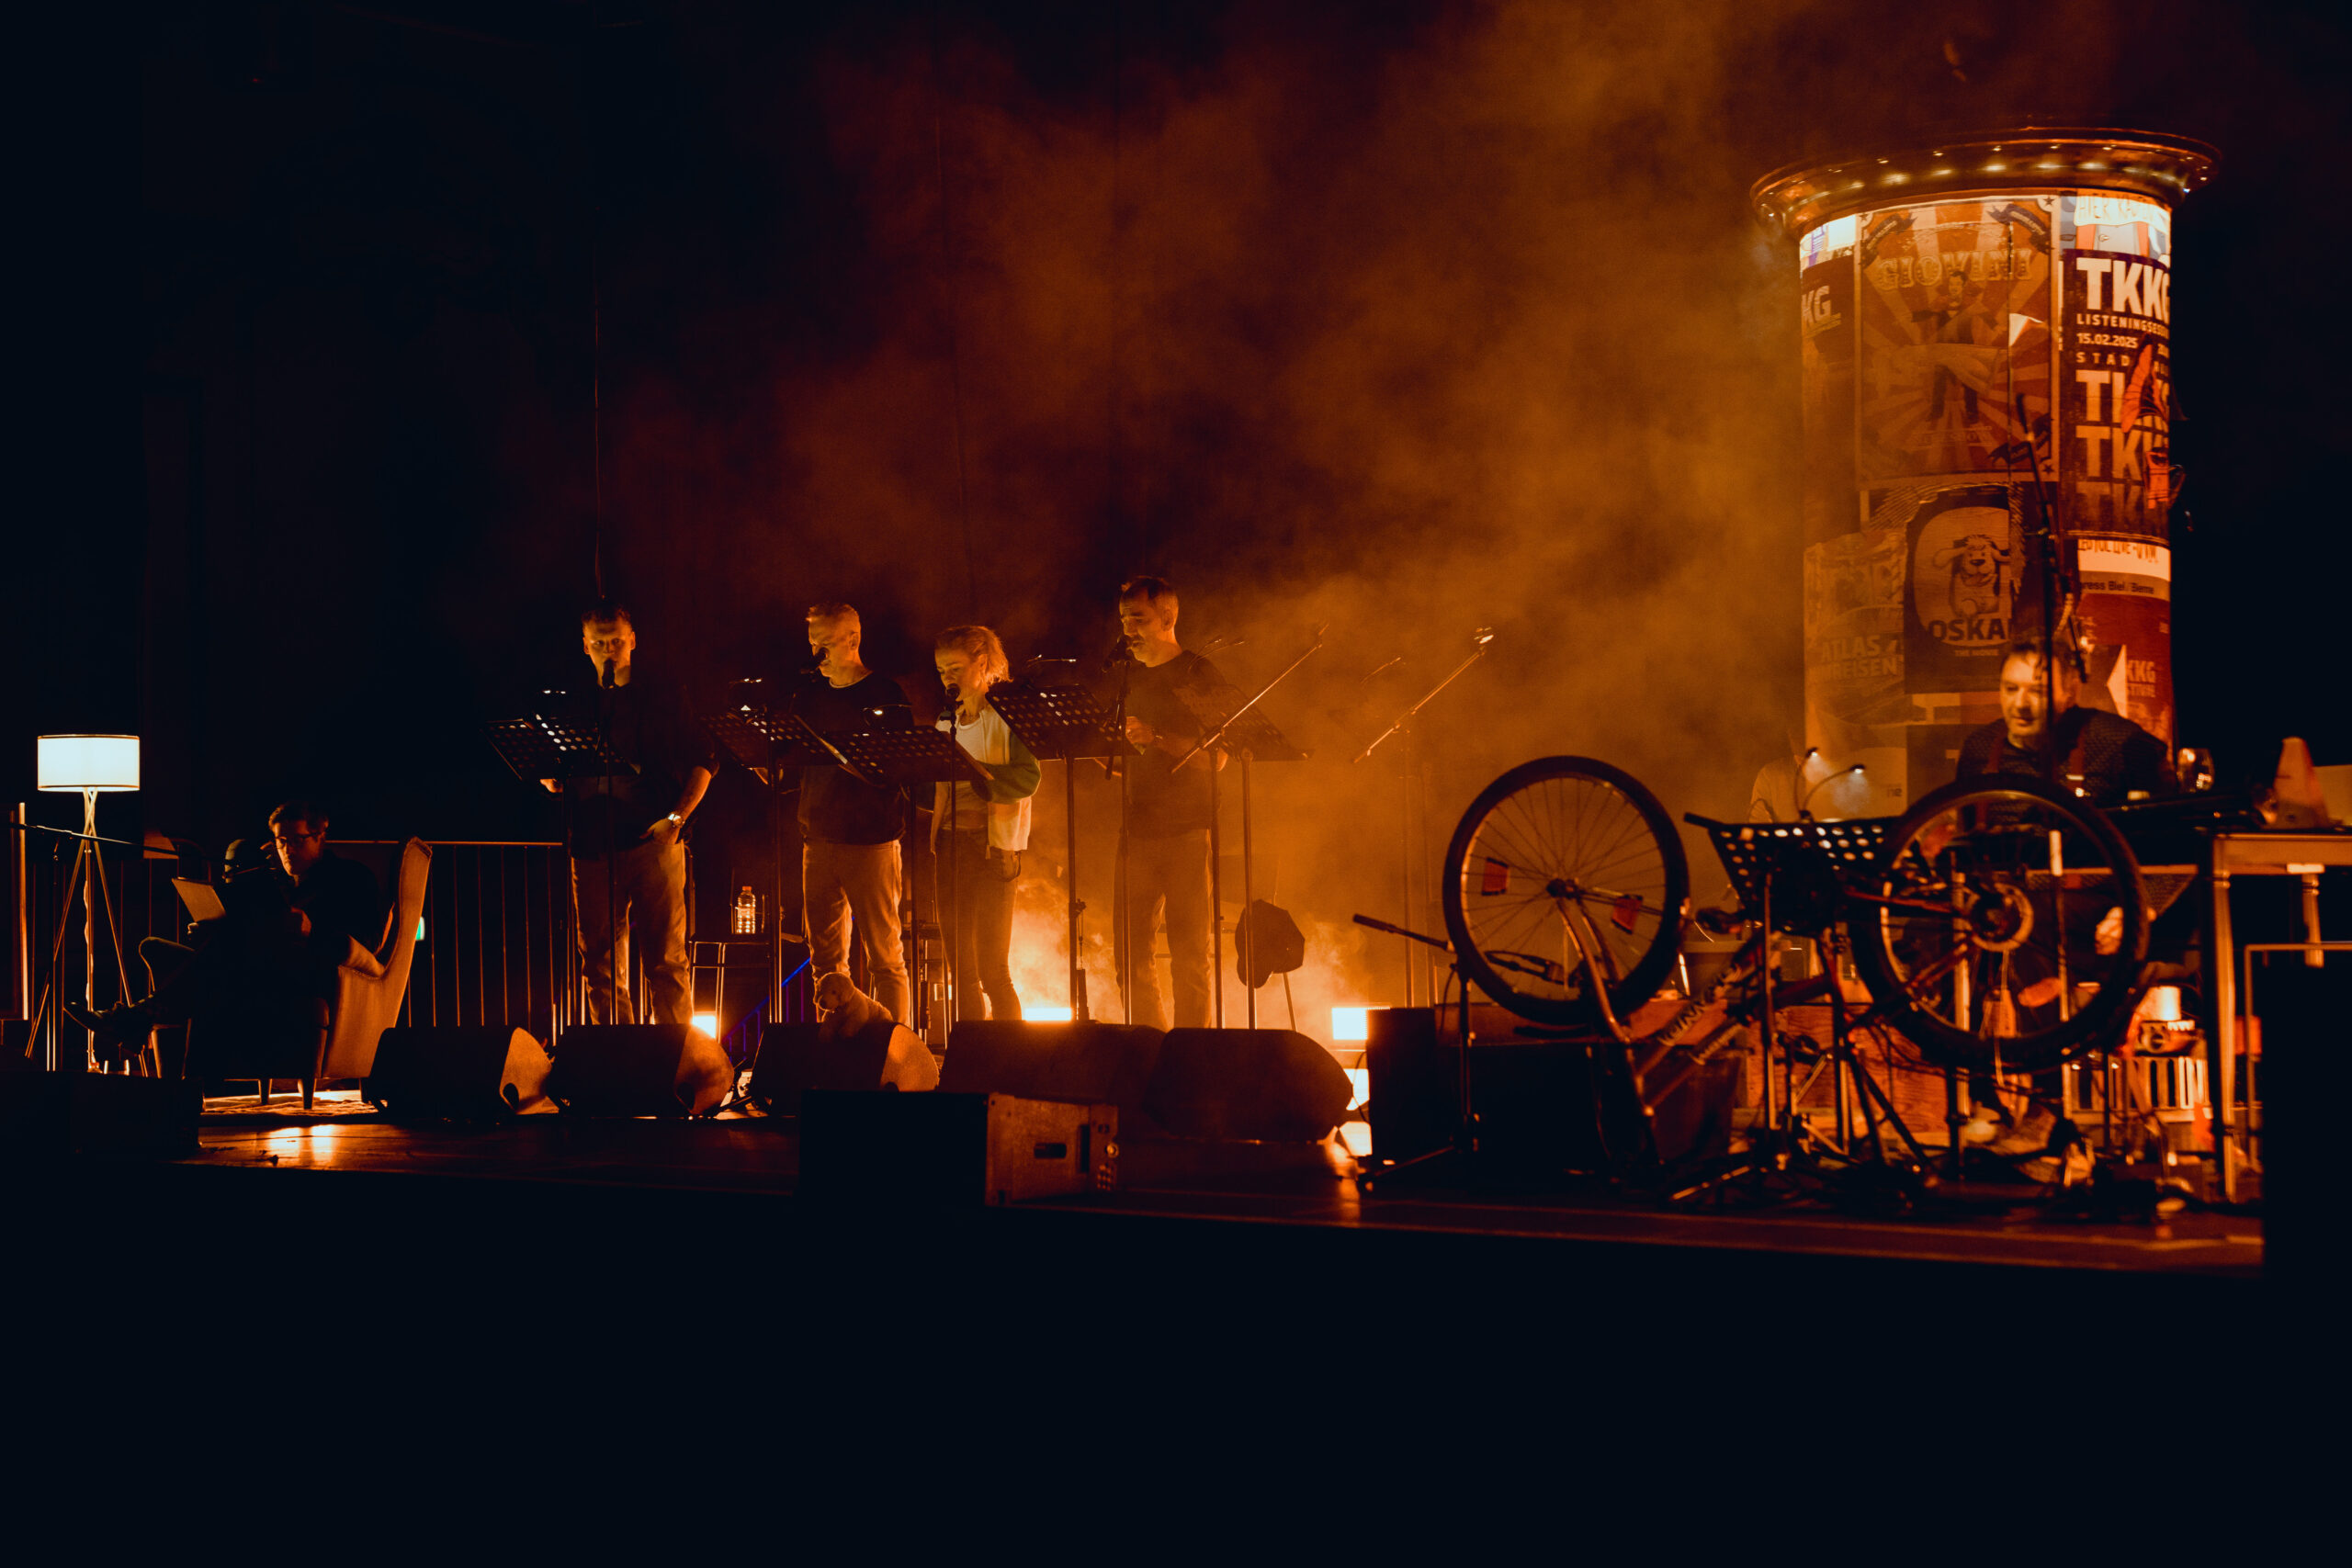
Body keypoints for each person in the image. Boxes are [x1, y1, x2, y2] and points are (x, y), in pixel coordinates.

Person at [68, 799, 384, 1065]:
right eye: (280, 841)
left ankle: (136, 1018)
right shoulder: (277, 884)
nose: (287, 850)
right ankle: (144, 1025)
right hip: (262, 967)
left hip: (317, 972)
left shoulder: (351, 879)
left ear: (320, 837)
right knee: (205, 948)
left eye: (297, 840)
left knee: (225, 955)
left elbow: (364, 943)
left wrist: (312, 931)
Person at [563, 600, 710, 1026]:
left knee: (666, 960)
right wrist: (550, 777)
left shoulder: (662, 696)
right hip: (592, 845)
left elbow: (705, 760)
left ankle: (677, 1061)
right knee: (600, 964)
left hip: (652, 841)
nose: (608, 650)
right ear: (585, 647)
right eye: (598, 643)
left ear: (632, 642)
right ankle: (616, 1059)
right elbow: (559, 769)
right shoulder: (579, 702)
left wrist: (677, 819)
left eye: (615, 642)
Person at [1102, 575, 1227, 1031]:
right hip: (1136, 832)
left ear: (1168, 618)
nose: (1128, 628)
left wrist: (1155, 738)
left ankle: (1192, 1056)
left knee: (1190, 957)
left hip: (1187, 833)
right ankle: (1148, 1049)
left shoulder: (1197, 672)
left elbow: (1219, 757)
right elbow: (1119, 762)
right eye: (1123, 619)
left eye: (1138, 618)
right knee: (1130, 958)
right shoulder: (1127, 678)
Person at [798, 602, 915, 1024]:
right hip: (819, 839)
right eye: (813, 644)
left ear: (853, 639)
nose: (817, 654)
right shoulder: (808, 696)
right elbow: (799, 768)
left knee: (885, 956)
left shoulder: (885, 694)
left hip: (871, 842)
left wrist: (850, 760)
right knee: (826, 960)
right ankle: (836, 1056)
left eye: (825, 644)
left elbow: (899, 770)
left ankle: (897, 1053)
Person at [931, 625, 1041, 1022]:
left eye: (955, 667)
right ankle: (972, 1060)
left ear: (982, 663)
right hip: (950, 844)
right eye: (942, 669)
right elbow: (936, 789)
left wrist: (980, 776)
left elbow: (1029, 777)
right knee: (960, 970)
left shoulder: (1006, 718)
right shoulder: (947, 722)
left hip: (992, 848)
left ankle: (1010, 1060)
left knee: (994, 970)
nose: (948, 677)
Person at [1956, 639, 2173, 807]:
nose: (2021, 704)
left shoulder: (2119, 742)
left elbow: (2165, 823)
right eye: (2011, 689)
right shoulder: (1979, 748)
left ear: (2070, 694)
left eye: (2037, 692)